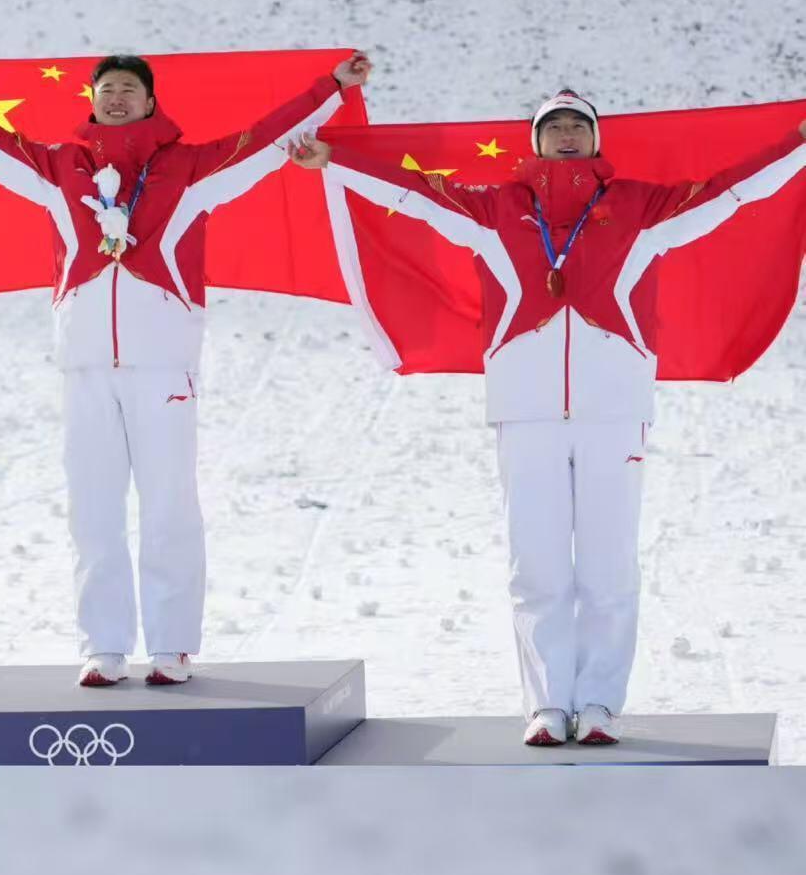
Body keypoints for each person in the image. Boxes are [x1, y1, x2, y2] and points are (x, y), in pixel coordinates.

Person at [291, 78, 806, 746]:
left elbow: (728, 193)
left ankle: (597, 705)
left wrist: (797, 147)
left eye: (577, 125)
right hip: (525, 406)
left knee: (608, 564)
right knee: (535, 566)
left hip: (613, 406)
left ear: (595, 139)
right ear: (535, 142)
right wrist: (336, 160)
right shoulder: (496, 208)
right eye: (553, 126)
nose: (566, 134)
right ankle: (545, 705)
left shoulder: (640, 207)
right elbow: (413, 195)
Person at [0, 51, 367, 688]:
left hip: (162, 366)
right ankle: (104, 646)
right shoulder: (63, 168)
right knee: (92, 510)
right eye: (107, 89)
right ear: (90, 100)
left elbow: (262, 143)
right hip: (86, 367)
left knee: (169, 504)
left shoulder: (188, 168)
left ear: (152, 103)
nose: (117, 98)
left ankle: (172, 645)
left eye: (129, 89)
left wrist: (331, 91)